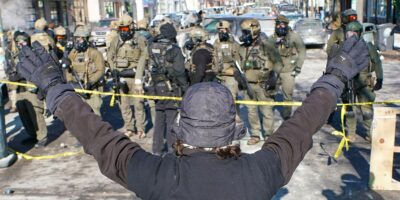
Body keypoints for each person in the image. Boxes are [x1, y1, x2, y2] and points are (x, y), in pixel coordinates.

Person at [16, 36, 369, 200]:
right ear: (236, 130)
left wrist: (56, 89)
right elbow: (301, 126)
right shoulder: (260, 174)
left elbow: (101, 139)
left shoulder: (156, 177)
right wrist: (334, 79)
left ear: (178, 130)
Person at [238, 18, 283, 145]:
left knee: (267, 111)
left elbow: (278, 63)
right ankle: (255, 135)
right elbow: (237, 63)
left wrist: (273, 76)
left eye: (246, 32)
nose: (244, 35)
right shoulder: (243, 48)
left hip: (263, 85)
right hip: (249, 85)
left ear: (254, 31)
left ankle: (269, 135)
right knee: (251, 112)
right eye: (243, 32)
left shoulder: (267, 45)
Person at [147, 22, 189, 155]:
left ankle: (156, 149)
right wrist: (185, 88)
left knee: (159, 119)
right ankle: (172, 150)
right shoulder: (174, 50)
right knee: (171, 118)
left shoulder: (151, 46)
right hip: (171, 88)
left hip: (155, 87)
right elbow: (180, 71)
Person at [107, 14, 148, 138]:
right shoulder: (116, 40)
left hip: (136, 77)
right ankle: (129, 127)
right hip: (121, 77)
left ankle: (141, 128)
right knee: (124, 104)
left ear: (131, 27)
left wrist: (139, 78)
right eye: (121, 29)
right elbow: (110, 55)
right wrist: (113, 70)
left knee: (139, 104)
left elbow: (143, 57)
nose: (123, 32)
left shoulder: (140, 39)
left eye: (126, 29)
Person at [342, 21, 383, 142]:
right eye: (349, 33)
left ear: (359, 33)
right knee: (350, 109)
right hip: (348, 82)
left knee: (367, 110)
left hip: (364, 82)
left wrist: (380, 79)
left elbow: (377, 62)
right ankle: (351, 133)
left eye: (354, 32)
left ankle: (370, 132)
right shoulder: (344, 46)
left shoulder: (368, 46)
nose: (351, 35)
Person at [11, 32, 48, 147]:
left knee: (36, 114)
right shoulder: (15, 55)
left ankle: (42, 137)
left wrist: (21, 75)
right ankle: (32, 135)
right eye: (18, 42)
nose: (21, 44)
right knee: (24, 114)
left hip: (31, 89)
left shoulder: (33, 54)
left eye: (23, 41)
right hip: (20, 89)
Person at [269, 14, 306, 120]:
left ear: (286, 25)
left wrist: (298, 67)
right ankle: (268, 113)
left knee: (288, 94)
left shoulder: (293, 36)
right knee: (270, 93)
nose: (280, 27)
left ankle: (287, 115)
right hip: (274, 71)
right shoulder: (272, 38)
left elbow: (302, 51)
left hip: (288, 71)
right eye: (278, 25)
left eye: (283, 25)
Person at [65, 25, 105, 115]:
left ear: (87, 39)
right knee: (80, 116)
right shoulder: (73, 53)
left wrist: (90, 82)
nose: (78, 40)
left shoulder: (94, 53)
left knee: (95, 114)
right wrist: (70, 82)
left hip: (91, 89)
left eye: (81, 38)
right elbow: (68, 69)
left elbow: (101, 70)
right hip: (77, 89)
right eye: (77, 38)